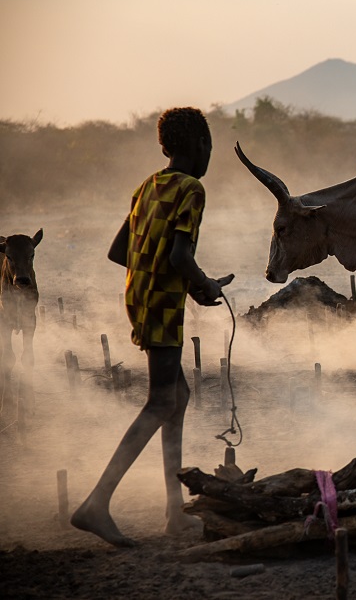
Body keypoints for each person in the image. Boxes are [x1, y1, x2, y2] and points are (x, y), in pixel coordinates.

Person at [71, 107, 233, 547]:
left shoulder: (148, 186)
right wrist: (203, 283)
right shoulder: (191, 189)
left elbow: (120, 250)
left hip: (139, 300)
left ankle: (174, 512)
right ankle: (96, 504)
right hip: (161, 307)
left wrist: (176, 281)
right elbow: (180, 257)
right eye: (210, 148)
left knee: (177, 397)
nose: (209, 157)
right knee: (161, 400)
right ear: (199, 146)